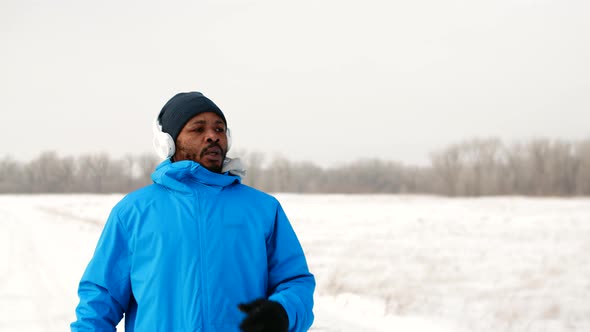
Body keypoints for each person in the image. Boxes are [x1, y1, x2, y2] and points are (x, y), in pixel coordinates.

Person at [71, 91, 315, 332]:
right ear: (169, 142)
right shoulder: (133, 212)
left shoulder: (263, 209)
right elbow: (99, 302)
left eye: (219, 129)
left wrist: (283, 312)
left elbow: (295, 282)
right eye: (198, 129)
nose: (213, 136)